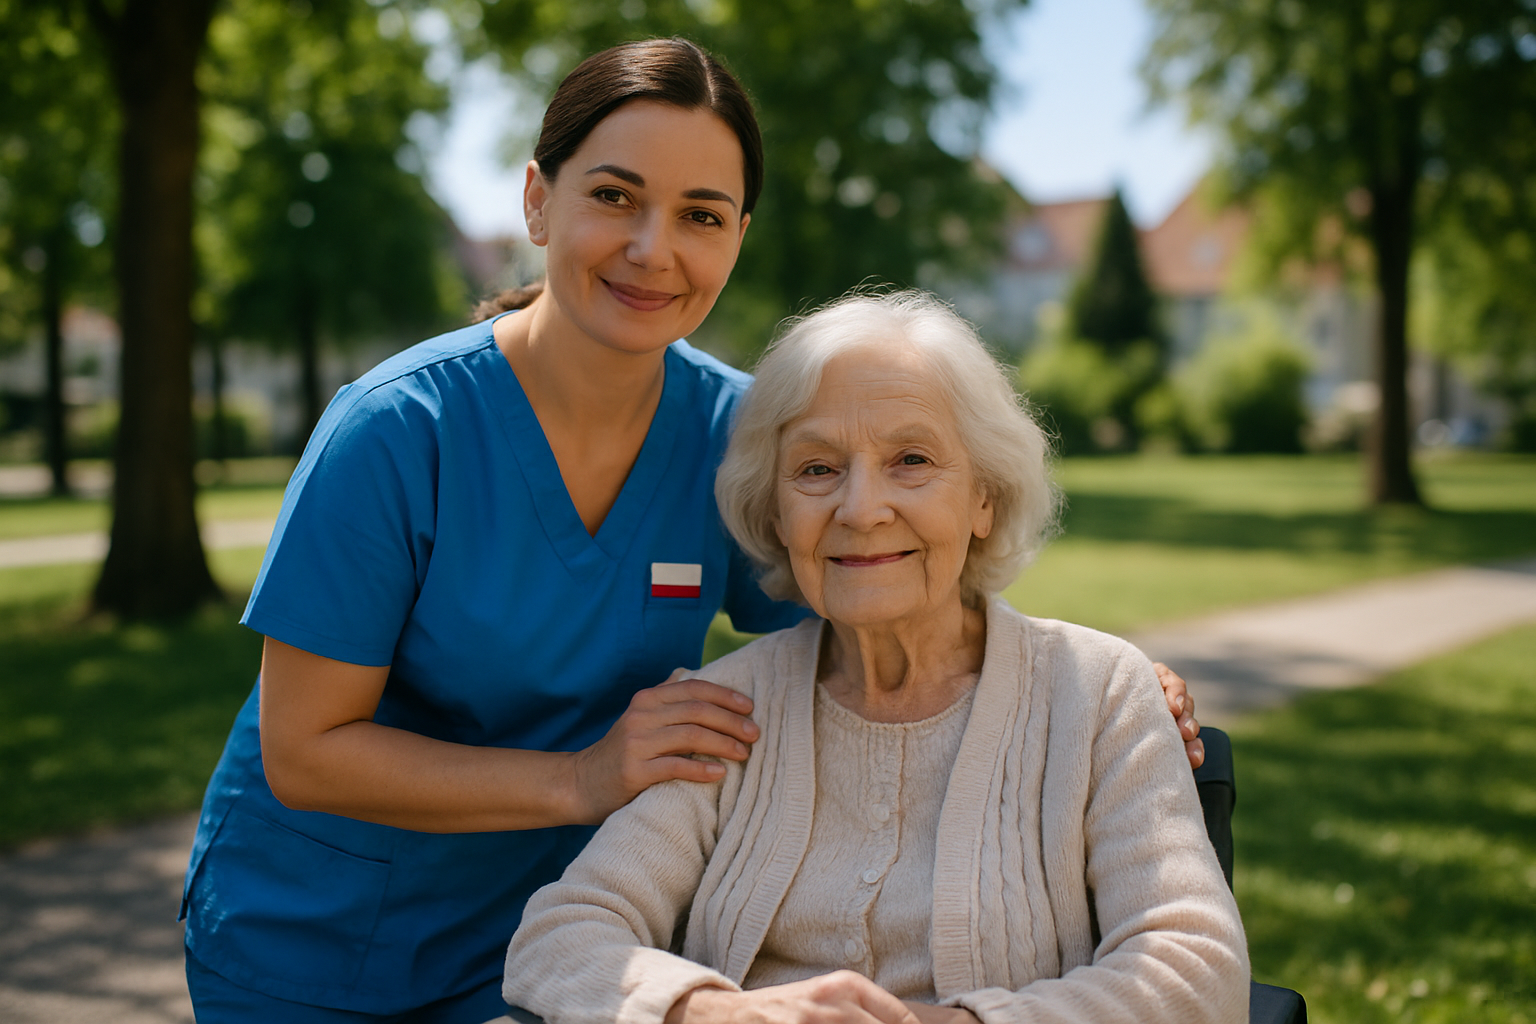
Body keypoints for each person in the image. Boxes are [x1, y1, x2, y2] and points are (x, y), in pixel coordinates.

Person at [180, 38, 1204, 1024]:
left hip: (550, 940)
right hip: (313, 941)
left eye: (700, 214)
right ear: (539, 200)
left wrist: (1090, 676)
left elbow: (881, 564)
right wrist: (583, 777)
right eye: (614, 196)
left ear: (738, 236)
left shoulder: (741, 435)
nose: (653, 249)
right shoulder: (399, 430)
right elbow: (305, 752)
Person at [502, 290, 1247, 1024]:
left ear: (984, 498)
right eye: (817, 470)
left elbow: (1196, 967)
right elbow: (560, 937)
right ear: (776, 511)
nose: (860, 509)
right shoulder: (725, 709)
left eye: (912, 460)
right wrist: (718, 1014)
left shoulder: (1099, 695)